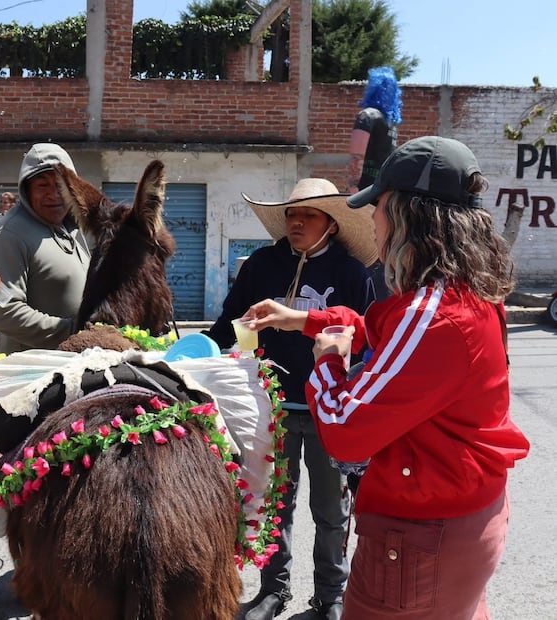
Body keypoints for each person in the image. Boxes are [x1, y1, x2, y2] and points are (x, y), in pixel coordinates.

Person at [246, 136, 530, 619]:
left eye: (378, 205)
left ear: (405, 215)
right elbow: (385, 334)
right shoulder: (463, 293)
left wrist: (329, 361)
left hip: (421, 535)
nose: (372, 219)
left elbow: (344, 432)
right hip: (461, 515)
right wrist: (304, 319)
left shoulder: (432, 314)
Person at [204, 178, 376, 620]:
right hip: (269, 405)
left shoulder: (352, 274)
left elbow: (368, 343)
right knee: (274, 506)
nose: (296, 222)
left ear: (331, 225)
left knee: (331, 510)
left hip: (328, 411)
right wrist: (193, 352)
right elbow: (229, 323)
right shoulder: (261, 265)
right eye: (291, 215)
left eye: (308, 216)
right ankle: (273, 591)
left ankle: (330, 597)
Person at [0, 143, 91, 354]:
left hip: (75, 363)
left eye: (61, 185)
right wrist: (75, 331)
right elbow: (5, 313)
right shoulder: (8, 235)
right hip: (31, 369)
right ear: (27, 190)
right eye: (42, 185)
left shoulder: (72, 228)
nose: (54, 195)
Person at [348, 65, 402, 300]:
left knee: (359, 246)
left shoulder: (367, 116)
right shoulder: (391, 125)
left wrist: (352, 187)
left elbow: (356, 156)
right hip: (385, 194)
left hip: (364, 193)